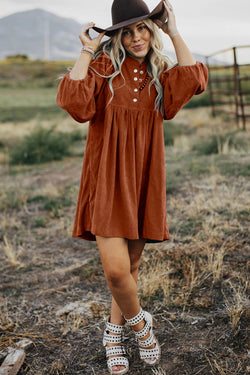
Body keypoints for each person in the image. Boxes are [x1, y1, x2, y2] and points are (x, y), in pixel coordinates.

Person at [57, 0, 208, 373]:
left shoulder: (160, 72)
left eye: (142, 28)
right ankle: (140, 326)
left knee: (132, 266)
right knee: (115, 271)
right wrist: (87, 49)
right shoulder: (105, 68)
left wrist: (173, 31)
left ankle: (112, 335)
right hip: (107, 179)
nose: (137, 37)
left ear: (151, 31)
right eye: (127, 31)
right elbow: (76, 103)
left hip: (143, 178)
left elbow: (195, 79)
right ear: (117, 37)